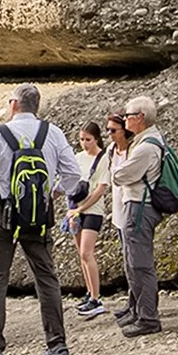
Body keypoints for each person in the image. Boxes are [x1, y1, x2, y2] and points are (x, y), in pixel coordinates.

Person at [0, 83, 81, 355]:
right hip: (39, 213)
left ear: (13, 105)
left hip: (4, 212)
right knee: (46, 276)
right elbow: (74, 175)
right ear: (37, 106)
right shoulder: (53, 133)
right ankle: (57, 343)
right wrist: (53, 193)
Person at [110, 95, 168, 337]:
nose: (125, 120)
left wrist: (116, 171)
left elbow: (122, 175)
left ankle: (147, 317)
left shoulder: (145, 147)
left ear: (139, 118)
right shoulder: (150, 140)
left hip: (139, 206)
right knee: (134, 260)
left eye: (128, 116)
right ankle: (138, 310)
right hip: (139, 204)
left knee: (140, 263)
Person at [68, 122, 113, 319]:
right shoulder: (78, 158)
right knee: (81, 253)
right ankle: (89, 292)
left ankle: (96, 298)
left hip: (93, 210)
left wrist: (81, 208)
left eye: (88, 140)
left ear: (96, 139)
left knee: (87, 252)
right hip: (76, 209)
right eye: (82, 139)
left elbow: (101, 188)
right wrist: (72, 210)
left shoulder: (103, 159)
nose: (85, 144)